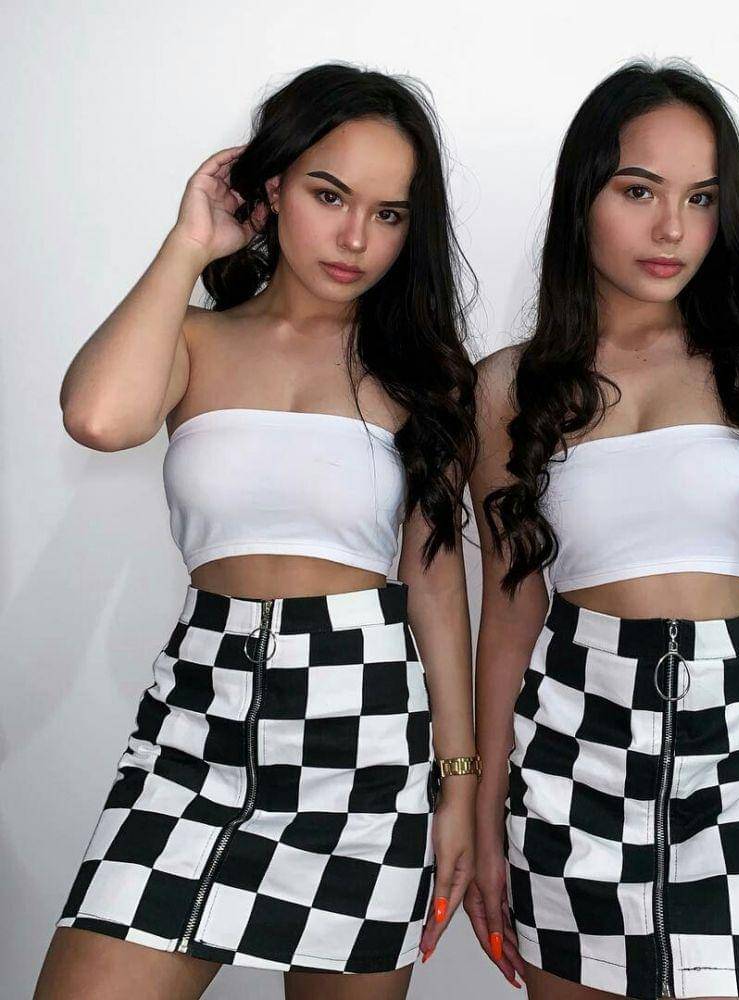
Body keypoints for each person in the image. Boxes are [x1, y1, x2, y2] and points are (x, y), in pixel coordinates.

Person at [35, 62, 481, 1000]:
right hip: (195, 734)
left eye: (389, 214)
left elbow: (437, 588)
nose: (355, 238)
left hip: (366, 744)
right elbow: (98, 418)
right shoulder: (194, 340)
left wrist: (459, 782)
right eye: (329, 195)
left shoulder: (421, 374)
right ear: (271, 188)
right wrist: (189, 243)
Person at [465, 60, 739, 1000]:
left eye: (700, 198)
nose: (672, 229)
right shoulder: (508, 388)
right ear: (583, 197)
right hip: (570, 748)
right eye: (639, 191)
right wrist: (483, 810)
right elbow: (509, 611)